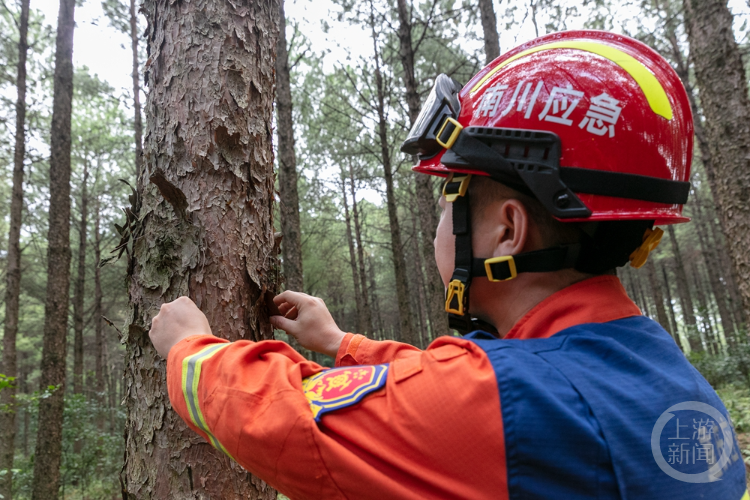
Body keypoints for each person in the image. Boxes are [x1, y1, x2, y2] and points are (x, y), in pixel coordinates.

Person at [149, 30, 749, 499]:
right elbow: (455, 394)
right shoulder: (658, 368)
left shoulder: (504, 400)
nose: (438, 223)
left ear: (507, 231)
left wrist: (192, 350)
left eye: (448, 201)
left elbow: (283, 420)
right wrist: (341, 344)